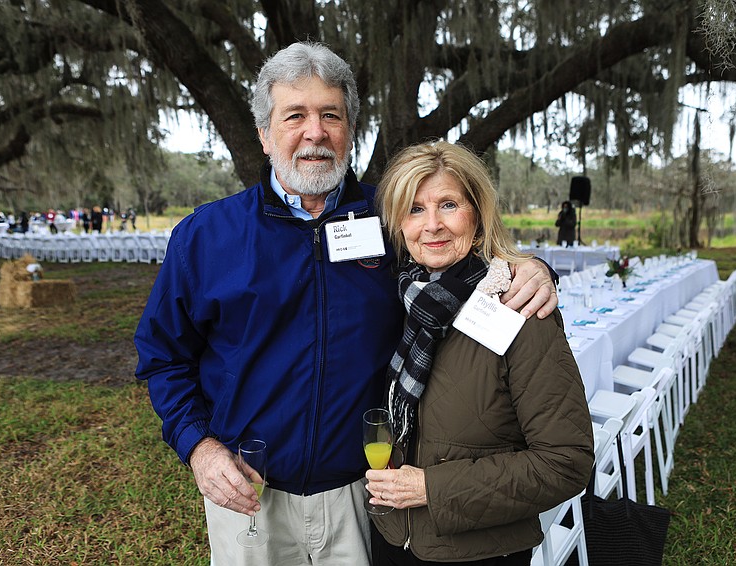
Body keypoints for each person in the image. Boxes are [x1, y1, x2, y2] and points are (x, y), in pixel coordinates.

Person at [134, 42, 558, 566]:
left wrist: (531, 266)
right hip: (250, 497)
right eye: (295, 116)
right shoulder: (206, 236)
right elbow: (163, 358)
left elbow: (465, 250)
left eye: (330, 115)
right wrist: (198, 447)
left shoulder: (393, 219)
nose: (315, 132)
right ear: (264, 135)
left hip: (365, 497)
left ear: (349, 130)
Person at [365, 141, 594, 565]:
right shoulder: (397, 299)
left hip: (480, 551)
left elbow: (566, 461)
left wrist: (432, 488)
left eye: (448, 205)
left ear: (478, 211)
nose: (431, 225)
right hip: (394, 536)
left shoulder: (520, 307)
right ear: (398, 223)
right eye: (415, 209)